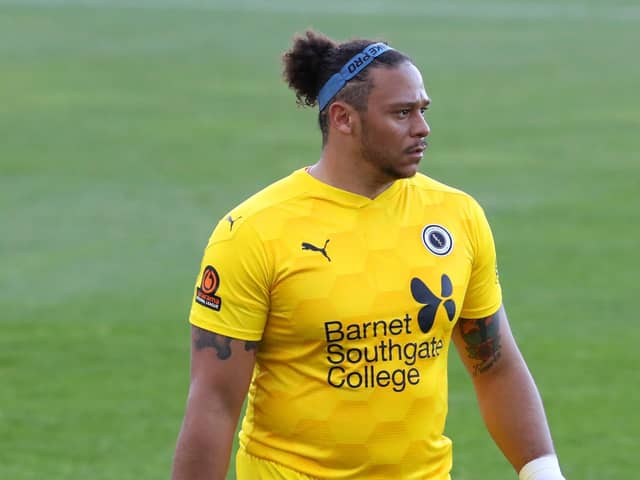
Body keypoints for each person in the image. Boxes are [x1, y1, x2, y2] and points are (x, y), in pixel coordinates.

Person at [171, 30, 566, 480]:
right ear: (343, 118)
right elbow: (214, 403)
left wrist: (543, 472)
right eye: (402, 113)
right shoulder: (254, 232)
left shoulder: (457, 216)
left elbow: (495, 365)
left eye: (423, 110)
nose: (422, 128)